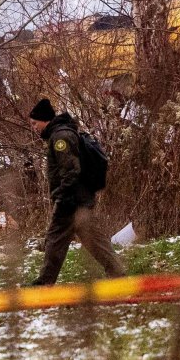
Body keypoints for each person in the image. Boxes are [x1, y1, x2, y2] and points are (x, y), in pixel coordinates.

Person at [29, 98, 125, 285]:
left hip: (71, 200)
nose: (33, 127)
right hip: (79, 198)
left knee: (55, 240)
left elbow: (71, 170)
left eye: (34, 123)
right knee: (94, 240)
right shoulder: (62, 134)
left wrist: (62, 197)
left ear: (44, 120)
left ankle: (44, 282)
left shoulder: (60, 138)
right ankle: (117, 273)